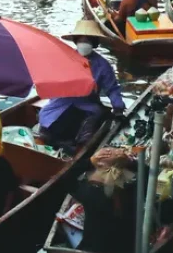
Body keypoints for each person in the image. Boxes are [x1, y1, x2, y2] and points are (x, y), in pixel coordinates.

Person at [38, 20, 127, 153]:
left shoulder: (102, 65)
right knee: (46, 124)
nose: (84, 43)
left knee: (86, 133)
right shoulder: (64, 58)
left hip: (87, 105)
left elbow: (112, 88)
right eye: (81, 39)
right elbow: (50, 82)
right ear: (76, 40)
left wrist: (118, 108)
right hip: (61, 103)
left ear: (94, 42)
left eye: (88, 40)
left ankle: (77, 149)